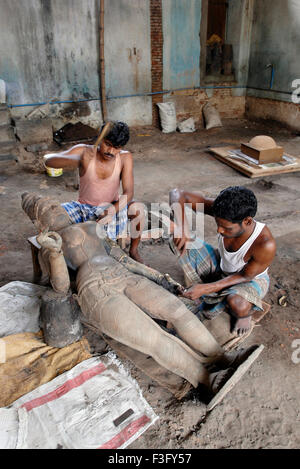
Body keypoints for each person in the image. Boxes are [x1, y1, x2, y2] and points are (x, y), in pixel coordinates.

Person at [22, 191, 263, 402]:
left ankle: (221, 358)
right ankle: (205, 380)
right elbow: (61, 288)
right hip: (95, 291)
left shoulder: (90, 226)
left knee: (176, 311)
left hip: (122, 274)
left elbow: (120, 257)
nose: (54, 210)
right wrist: (53, 253)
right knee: (154, 338)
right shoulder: (47, 248)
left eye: (54, 205)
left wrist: (157, 277)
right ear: (39, 222)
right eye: (46, 210)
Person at [169, 186, 276, 336]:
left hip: (251, 278)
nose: (219, 231)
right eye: (218, 224)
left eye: (227, 228)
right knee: (178, 237)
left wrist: (206, 288)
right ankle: (215, 291)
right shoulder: (223, 211)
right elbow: (177, 194)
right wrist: (181, 227)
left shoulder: (265, 244)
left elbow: (246, 276)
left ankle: (245, 315)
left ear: (247, 221)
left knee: (237, 304)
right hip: (223, 266)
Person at [44, 121, 144, 263]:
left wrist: (112, 210)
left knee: (137, 209)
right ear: (100, 139)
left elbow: (129, 192)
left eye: (117, 148)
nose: (110, 151)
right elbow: (49, 162)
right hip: (83, 207)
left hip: (110, 206)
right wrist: (76, 159)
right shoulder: (83, 151)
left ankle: (133, 250)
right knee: (50, 214)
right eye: (107, 144)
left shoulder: (125, 157)